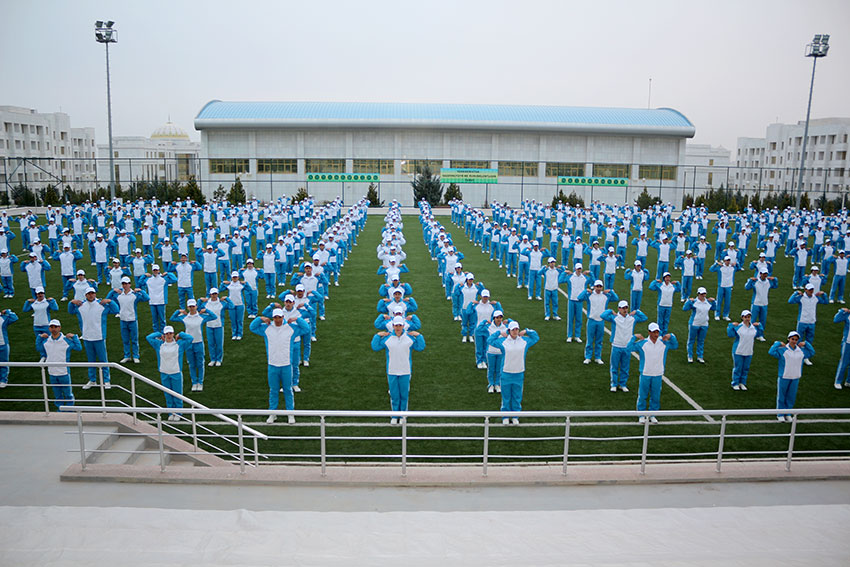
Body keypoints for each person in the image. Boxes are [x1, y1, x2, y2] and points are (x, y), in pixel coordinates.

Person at [250, 307, 310, 424]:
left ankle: (290, 413)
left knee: (288, 390)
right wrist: (260, 318)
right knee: (273, 390)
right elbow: (252, 327)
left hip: (286, 365)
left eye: (279, 317)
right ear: (273, 318)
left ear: (283, 317)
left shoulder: (291, 328)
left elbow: (306, 328)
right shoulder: (267, 328)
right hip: (272, 365)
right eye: (275, 317)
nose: (277, 320)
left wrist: (297, 319)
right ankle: (272, 413)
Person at [370, 316, 426, 424]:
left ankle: (403, 416)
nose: (398, 327)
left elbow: (420, 347)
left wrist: (419, 336)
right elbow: (375, 347)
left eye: (400, 325)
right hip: (392, 371)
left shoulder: (409, 338)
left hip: (405, 371)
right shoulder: (387, 339)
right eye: (396, 325)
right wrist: (377, 336)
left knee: (404, 395)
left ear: (403, 326)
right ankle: (395, 416)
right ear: (393, 326)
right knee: (395, 395)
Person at [487, 320, 539, 425]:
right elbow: (490, 340)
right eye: (513, 329)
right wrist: (499, 333)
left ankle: (515, 415)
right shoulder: (503, 341)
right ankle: (505, 416)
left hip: (519, 373)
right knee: (506, 396)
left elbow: (536, 337)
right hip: (506, 373)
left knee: (517, 396)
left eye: (517, 329)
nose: (515, 331)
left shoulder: (524, 341)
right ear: (509, 330)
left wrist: (526, 331)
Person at [68, 287, 119, 388]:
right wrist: (71, 302)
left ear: (95, 294)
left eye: (92, 293)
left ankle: (106, 380)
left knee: (103, 360)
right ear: (86, 295)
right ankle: (92, 380)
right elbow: (70, 311)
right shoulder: (81, 306)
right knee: (91, 361)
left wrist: (110, 301)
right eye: (89, 294)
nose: (91, 295)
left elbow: (116, 310)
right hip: (87, 337)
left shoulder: (101, 305)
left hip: (99, 337)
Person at [628, 322, 678, 423]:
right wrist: (634, 337)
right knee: (643, 395)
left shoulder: (663, 343)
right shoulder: (643, 343)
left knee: (656, 396)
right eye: (654, 332)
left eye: (657, 332)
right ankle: (641, 415)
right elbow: (629, 348)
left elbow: (675, 345)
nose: (656, 334)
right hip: (646, 373)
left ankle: (653, 414)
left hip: (658, 374)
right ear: (649, 332)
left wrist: (671, 336)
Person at [146, 326, 195, 417]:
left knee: (177, 395)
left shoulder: (179, 344)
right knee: (168, 395)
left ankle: (178, 413)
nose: (169, 335)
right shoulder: (159, 344)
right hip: (164, 373)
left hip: (176, 372)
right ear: (164, 335)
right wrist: (158, 334)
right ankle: (170, 413)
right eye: (167, 334)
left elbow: (190, 338)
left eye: (170, 333)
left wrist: (180, 334)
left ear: (173, 334)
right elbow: (148, 337)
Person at [170, 299, 217, 391]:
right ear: (187, 307)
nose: (192, 308)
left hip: (199, 343)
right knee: (191, 364)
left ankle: (200, 382)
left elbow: (214, 316)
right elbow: (172, 318)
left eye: (193, 306)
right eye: (190, 306)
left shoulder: (201, 317)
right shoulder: (184, 317)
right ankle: (194, 382)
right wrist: (178, 311)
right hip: (188, 344)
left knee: (200, 363)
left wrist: (206, 310)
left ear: (196, 306)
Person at [601, 300, 648, 392]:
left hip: (627, 346)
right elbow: (602, 316)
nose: (625, 310)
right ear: (619, 309)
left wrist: (637, 311)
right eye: (623, 308)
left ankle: (623, 384)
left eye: (626, 307)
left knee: (625, 367)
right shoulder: (614, 318)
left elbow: (644, 318)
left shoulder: (632, 318)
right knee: (614, 366)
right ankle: (614, 384)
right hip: (616, 345)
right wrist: (610, 310)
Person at [769, 331, 815, 422]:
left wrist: (806, 344)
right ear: (788, 339)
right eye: (792, 339)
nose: (794, 341)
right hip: (784, 376)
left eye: (796, 339)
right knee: (781, 396)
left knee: (791, 397)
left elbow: (812, 352)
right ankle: (780, 414)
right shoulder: (782, 350)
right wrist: (777, 343)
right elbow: (771, 352)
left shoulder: (801, 351)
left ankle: (788, 413)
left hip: (795, 377)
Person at [35, 319, 82, 408]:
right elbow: (39, 348)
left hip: (63, 372)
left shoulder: (66, 340)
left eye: (55, 327)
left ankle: (70, 410)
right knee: (57, 395)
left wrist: (75, 337)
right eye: (51, 327)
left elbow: (78, 348)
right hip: (52, 372)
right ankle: (60, 411)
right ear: (49, 328)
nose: (54, 329)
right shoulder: (46, 341)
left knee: (68, 394)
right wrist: (39, 338)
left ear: (59, 328)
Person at [106, 277, 150, 364]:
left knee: (134, 339)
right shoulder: (118, 295)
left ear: (130, 284)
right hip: (123, 320)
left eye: (127, 284)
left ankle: (136, 356)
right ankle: (127, 356)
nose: (125, 285)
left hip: (133, 320)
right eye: (123, 284)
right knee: (125, 339)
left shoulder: (135, 295)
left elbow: (147, 298)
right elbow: (108, 299)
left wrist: (141, 290)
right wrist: (112, 291)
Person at [577, 280, 618, 364]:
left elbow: (616, 298)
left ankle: (597, 357)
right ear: (594, 287)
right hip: (591, 320)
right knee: (590, 340)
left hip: (601, 321)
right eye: (597, 286)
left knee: (599, 340)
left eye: (600, 286)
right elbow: (579, 298)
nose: (599, 288)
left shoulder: (606, 296)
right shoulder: (590, 295)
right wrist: (585, 290)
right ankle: (588, 357)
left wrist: (611, 291)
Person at [788, 284, 828, 365]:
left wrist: (824, 294)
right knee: (797, 339)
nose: (811, 291)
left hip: (812, 322)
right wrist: (796, 293)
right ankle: (794, 355)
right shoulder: (801, 297)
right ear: (805, 290)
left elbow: (825, 302)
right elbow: (790, 301)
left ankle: (806, 357)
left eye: (812, 289)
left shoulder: (815, 298)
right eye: (809, 290)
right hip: (802, 321)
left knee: (809, 341)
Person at [727, 309, 764, 390]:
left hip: (749, 351)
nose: (747, 318)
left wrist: (760, 326)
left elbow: (759, 334)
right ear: (742, 318)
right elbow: (730, 334)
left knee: (745, 368)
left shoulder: (753, 328)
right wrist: (730, 326)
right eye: (745, 317)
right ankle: (735, 383)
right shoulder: (738, 327)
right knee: (738, 368)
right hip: (738, 351)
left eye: (749, 317)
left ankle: (742, 382)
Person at [475, 309, 509, 393]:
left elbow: (514, 326)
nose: (499, 319)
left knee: (498, 369)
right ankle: (491, 384)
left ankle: (497, 384)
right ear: (494, 318)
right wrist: (485, 321)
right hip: (490, 352)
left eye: (500, 317)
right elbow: (478, 329)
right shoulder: (489, 326)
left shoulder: (505, 327)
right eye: (497, 317)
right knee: (491, 369)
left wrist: (509, 320)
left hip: (500, 352)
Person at [198, 288, 232, 367]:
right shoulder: (206, 303)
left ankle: (219, 359)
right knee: (211, 343)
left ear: (218, 294)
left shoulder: (222, 303)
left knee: (219, 343)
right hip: (209, 326)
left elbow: (231, 306)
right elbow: (198, 308)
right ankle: (213, 359)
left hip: (219, 325)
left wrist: (227, 299)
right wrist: (200, 300)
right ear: (210, 294)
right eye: (213, 294)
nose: (214, 296)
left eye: (215, 294)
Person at [683, 287, 716, 363]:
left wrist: (714, 301)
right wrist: (688, 301)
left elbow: (714, 308)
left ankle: (700, 356)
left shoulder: (708, 302)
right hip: (694, 324)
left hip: (704, 324)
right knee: (691, 340)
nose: (703, 295)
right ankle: (690, 356)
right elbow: (685, 308)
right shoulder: (694, 302)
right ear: (698, 294)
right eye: (701, 294)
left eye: (704, 294)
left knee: (701, 341)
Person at [745, 267, 778, 339]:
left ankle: (760, 335)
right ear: (760, 274)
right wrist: (750, 280)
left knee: (763, 321)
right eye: (763, 274)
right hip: (756, 303)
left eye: (766, 274)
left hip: (764, 304)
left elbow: (775, 286)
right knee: (752, 320)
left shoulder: (768, 282)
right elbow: (747, 287)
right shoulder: (755, 281)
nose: (765, 275)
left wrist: (775, 279)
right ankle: (750, 334)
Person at [832, 307, 850, 389]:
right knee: (844, 362)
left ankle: (848, 381)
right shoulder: (847, 314)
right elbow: (836, 320)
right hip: (847, 343)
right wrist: (842, 311)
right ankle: (838, 381)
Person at [0, 308, 19, 387]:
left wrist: (7, 311)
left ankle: (3, 380)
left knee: (4, 362)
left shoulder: (3, 319)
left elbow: (14, 318)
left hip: (3, 344)